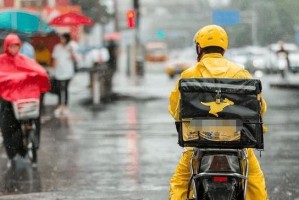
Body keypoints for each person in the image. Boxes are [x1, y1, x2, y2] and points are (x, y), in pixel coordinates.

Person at [168, 25, 268, 200]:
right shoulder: (240, 73)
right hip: (237, 138)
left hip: (200, 139)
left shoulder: (189, 74)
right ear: (224, 47)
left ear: (199, 48)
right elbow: (260, 108)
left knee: (180, 181)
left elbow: (176, 110)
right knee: (254, 181)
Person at [0, 33, 50, 164]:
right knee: (7, 127)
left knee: (35, 119)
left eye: (16, 46)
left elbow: (38, 71)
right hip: (8, 101)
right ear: (7, 46)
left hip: (25, 102)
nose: (14, 49)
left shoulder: (24, 60)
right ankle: (11, 155)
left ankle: (33, 145)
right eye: (11, 46)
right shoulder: (2, 61)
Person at [52, 33, 76, 117]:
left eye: (63, 39)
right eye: (61, 39)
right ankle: (59, 105)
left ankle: (65, 105)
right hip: (59, 71)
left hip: (68, 71)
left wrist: (71, 52)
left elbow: (75, 60)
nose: (62, 40)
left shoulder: (71, 47)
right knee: (59, 88)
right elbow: (54, 59)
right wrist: (53, 70)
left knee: (65, 88)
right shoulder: (57, 47)